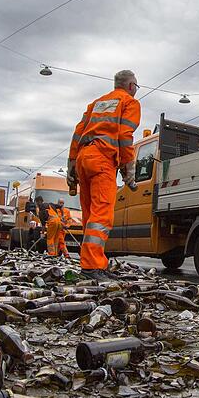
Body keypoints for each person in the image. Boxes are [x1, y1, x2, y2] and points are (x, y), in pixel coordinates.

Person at [67, 70, 141, 281]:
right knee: (102, 216)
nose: (135, 89)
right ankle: (92, 267)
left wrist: (71, 163)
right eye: (136, 86)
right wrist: (129, 166)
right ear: (130, 86)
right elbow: (125, 136)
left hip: (83, 158)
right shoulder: (129, 102)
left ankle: (92, 263)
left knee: (89, 215)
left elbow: (77, 132)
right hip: (102, 160)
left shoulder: (97, 103)